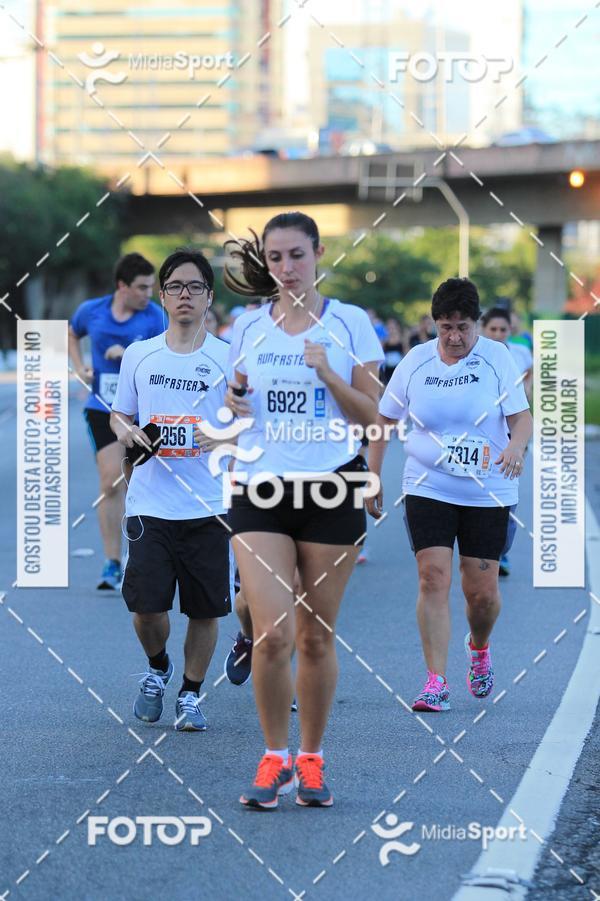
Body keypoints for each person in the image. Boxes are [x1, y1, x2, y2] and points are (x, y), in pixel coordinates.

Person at [223, 211, 383, 808]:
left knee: (316, 636)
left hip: (331, 490)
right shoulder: (247, 326)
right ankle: (273, 759)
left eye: (296, 255)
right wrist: (235, 401)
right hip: (260, 489)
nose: (286, 268)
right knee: (271, 635)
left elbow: (373, 415)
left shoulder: (350, 324)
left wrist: (327, 375)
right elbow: (235, 394)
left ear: (319, 253)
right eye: (276, 258)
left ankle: (311, 760)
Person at [367, 278, 532, 713]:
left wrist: (516, 446)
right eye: (445, 328)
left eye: (462, 327)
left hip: (488, 489)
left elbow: (522, 419)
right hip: (428, 485)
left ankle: (478, 646)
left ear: (476, 324)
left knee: (482, 595)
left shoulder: (497, 359)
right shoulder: (415, 362)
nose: (454, 337)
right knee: (432, 578)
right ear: (433, 324)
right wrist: (373, 475)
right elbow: (383, 421)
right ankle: (435, 681)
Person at [110, 248, 232, 731]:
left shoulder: (227, 358)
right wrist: (125, 432)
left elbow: (252, 422)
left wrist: (223, 435)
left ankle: (191, 693)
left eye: (195, 287)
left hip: (209, 505)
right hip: (150, 502)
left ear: (208, 297)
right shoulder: (141, 354)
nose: (185, 295)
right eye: (176, 287)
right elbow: (121, 413)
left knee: (205, 610)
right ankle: (158, 666)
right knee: (146, 607)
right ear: (162, 296)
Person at [69, 253, 163, 590]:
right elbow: (71, 333)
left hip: (142, 412)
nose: (148, 294)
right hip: (103, 407)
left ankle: (142, 554)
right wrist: (79, 367)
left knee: (139, 482)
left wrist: (130, 356)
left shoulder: (155, 318)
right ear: (122, 286)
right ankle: (111, 561)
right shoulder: (91, 311)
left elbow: (166, 356)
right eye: (142, 287)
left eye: (152, 287)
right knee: (110, 480)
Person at [481, 306, 533, 576]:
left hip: (513, 430)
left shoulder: (521, 353)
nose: (499, 334)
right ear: (483, 329)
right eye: (493, 329)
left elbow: (531, 376)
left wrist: (525, 390)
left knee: (505, 492)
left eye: (503, 330)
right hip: (484, 434)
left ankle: (499, 552)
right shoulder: (474, 355)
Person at [382, 317, 406, 384]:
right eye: (389, 327)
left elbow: (407, 354)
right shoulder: (384, 342)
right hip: (387, 372)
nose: (391, 329)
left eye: (393, 327)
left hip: (399, 371)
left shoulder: (403, 341)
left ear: (397, 327)